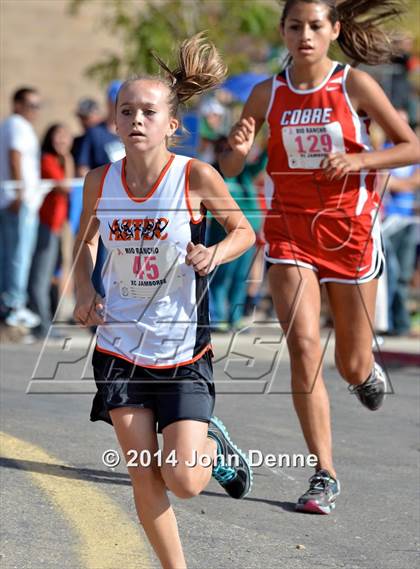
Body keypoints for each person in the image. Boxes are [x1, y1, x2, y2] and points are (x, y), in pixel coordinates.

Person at [219, 0, 420, 515]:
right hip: (289, 233)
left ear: (332, 30)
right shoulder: (267, 93)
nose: (304, 35)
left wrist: (359, 159)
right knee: (304, 348)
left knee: (350, 364)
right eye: (294, 26)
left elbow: (409, 146)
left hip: (349, 231)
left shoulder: (353, 85)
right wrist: (237, 148)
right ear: (283, 32)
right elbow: (232, 161)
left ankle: (364, 371)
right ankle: (324, 472)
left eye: (314, 25)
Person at [73, 34, 255, 568]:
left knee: (185, 480)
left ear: (171, 124)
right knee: (143, 472)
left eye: (148, 111)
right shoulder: (99, 182)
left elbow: (244, 231)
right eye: (125, 110)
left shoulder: (194, 177)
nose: (135, 119)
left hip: (182, 351)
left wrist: (215, 253)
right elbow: (84, 242)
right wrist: (86, 288)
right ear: (113, 121)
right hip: (120, 347)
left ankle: (214, 451)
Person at [0, 87, 43, 328]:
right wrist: (19, 193)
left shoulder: (11, 125)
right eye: (30, 104)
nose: (34, 110)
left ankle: (8, 303)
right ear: (17, 104)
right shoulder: (17, 125)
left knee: (9, 254)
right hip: (18, 201)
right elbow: (14, 155)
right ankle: (14, 305)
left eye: (38, 105)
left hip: (11, 199)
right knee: (19, 255)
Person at [28, 124, 75, 339]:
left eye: (66, 136)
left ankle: (45, 322)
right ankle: (42, 325)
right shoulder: (47, 160)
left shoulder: (58, 160)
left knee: (51, 276)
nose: (62, 140)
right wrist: (68, 158)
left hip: (56, 228)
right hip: (44, 226)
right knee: (40, 277)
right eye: (58, 136)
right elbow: (65, 186)